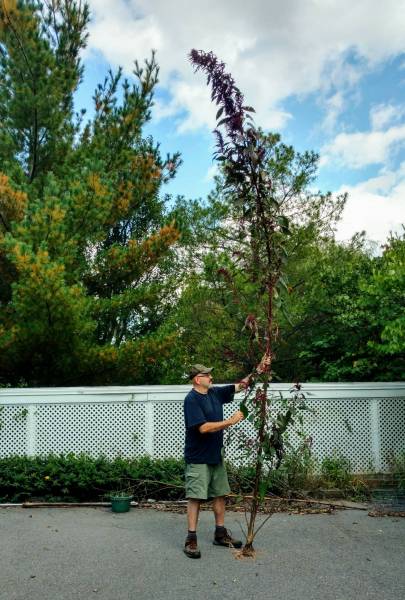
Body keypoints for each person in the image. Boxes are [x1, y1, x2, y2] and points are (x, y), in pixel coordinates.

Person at [182, 363, 252, 559]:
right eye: (207, 375)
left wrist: (260, 368)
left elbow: (241, 385)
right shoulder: (191, 400)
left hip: (215, 455)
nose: (211, 378)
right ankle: (191, 538)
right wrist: (230, 421)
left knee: (220, 494)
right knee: (195, 497)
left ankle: (220, 534)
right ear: (197, 379)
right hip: (198, 458)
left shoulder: (214, 393)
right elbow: (203, 428)